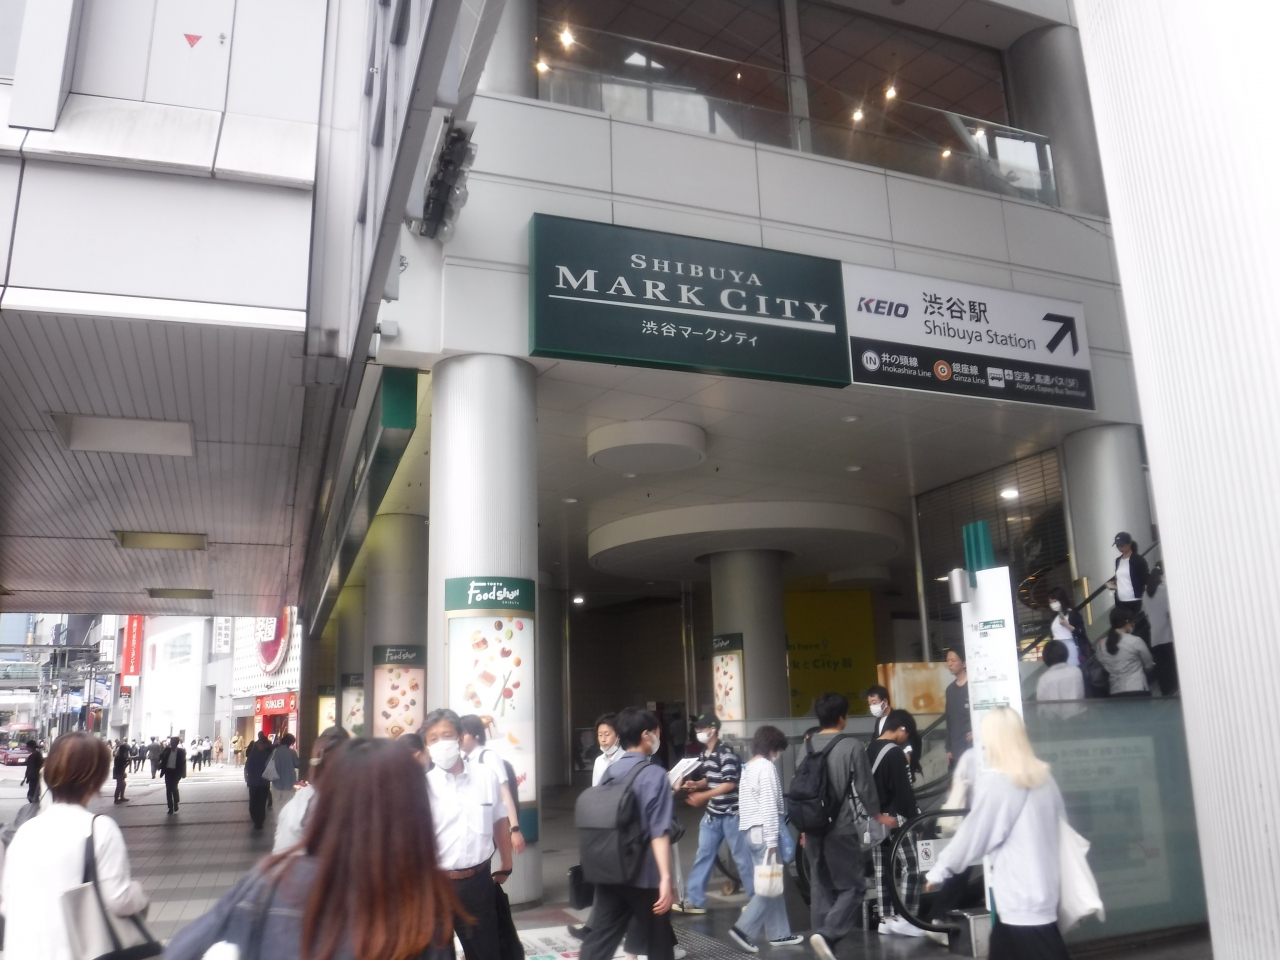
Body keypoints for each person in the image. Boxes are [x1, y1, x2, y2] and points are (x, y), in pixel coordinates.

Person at [166, 738, 460, 960]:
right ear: (416, 813)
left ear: (327, 801)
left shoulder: (268, 885)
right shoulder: (424, 907)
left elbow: (182, 950)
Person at [926, 708, 1070, 960]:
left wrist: (940, 869)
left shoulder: (1001, 782)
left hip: (1019, 899)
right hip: (1043, 892)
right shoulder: (1044, 779)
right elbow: (1061, 829)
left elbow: (974, 835)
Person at [2, 732, 149, 960]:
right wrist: (139, 894)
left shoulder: (24, 832)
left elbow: (6, 903)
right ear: (97, 779)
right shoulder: (99, 828)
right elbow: (119, 899)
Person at [580, 706, 675, 960]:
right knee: (659, 943)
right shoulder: (654, 774)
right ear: (645, 735)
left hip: (610, 870)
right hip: (644, 874)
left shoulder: (610, 771)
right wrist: (666, 878)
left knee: (599, 941)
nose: (658, 738)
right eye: (656, 733)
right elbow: (658, 832)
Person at [424, 708, 513, 960]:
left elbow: (499, 820)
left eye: (447, 735)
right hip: (436, 886)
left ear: (460, 736)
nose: (441, 743)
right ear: (427, 746)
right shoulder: (422, 786)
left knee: (486, 953)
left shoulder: (486, 776)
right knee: (437, 955)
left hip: (478, 882)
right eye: (433, 739)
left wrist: (506, 863)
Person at [803, 692, 881, 960]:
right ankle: (827, 935)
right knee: (854, 886)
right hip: (840, 827)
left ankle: (822, 946)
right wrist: (877, 814)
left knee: (820, 885)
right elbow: (865, 786)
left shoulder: (808, 745)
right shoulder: (851, 746)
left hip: (812, 826)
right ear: (842, 718)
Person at [730, 725, 804, 952]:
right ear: (772, 747)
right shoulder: (766, 768)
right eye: (778, 749)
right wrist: (772, 841)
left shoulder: (748, 767)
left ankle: (779, 933)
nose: (777, 754)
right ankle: (743, 929)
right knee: (769, 886)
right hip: (765, 833)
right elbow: (770, 806)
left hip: (750, 832)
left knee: (771, 882)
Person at [672, 713, 754, 914]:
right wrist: (696, 784)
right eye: (697, 728)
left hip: (731, 815)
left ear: (713, 730)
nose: (698, 732)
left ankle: (757, 901)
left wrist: (703, 796)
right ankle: (695, 900)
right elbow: (710, 778)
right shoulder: (705, 754)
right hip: (713, 814)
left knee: (743, 859)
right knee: (704, 855)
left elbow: (729, 783)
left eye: (701, 728)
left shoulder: (725, 753)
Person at [865, 710, 924, 937]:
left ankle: (886, 918)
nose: (905, 739)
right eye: (906, 734)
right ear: (901, 729)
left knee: (882, 868)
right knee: (912, 867)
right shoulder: (895, 752)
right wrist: (916, 821)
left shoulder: (869, 749)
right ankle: (907, 917)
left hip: (876, 819)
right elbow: (903, 792)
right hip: (897, 817)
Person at [274, 726, 352, 853]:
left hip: (277, 783)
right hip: (289, 782)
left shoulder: (299, 804)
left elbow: (284, 850)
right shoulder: (360, 800)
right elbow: (297, 763)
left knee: (279, 805)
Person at [459, 714, 526, 855]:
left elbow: (505, 795)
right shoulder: (464, 760)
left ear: (476, 735)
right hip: (473, 827)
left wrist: (514, 829)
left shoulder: (488, 757)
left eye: (463, 733)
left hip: (491, 825)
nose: (459, 738)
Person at [1096, 606, 1155, 697]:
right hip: (1137, 689)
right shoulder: (1135, 641)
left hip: (1115, 692)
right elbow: (1149, 664)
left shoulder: (1101, 645)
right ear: (1127, 621)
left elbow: (1102, 663)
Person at [866, 686, 922, 780]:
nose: (872, 706)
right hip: (884, 771)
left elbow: (911, 743)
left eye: (874, 702)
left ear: (885, 701)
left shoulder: (899, 718)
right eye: (869, 703)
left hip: (898, 770)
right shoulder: (878, 721)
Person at [1107, 532, 1151, 643]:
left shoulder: (1138, 560)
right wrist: (1114, 585)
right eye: (1118, 545)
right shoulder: (1118, 560)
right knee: (1123, 628)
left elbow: (1145, 578)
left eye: (1122, 544)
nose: (1120, 547)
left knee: (1137, 628)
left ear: (1129, 544)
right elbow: (1122, 578)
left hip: (1136, 600)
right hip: (1121, 600)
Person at [1146, 565, 1179, 695]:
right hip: (1169, 636)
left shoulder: (1145, 594)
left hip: (1155, 638)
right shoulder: (1166, 589)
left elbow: (1147, 616)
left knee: (1162, 671)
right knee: (1174, 669)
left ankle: (1166, 696)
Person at [1046, 587, 1092, 669]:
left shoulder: (1072, 614)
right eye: (1050, 602)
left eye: (1055, 601)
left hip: (1071, 647)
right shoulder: (1054, 617)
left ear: (1061, 599)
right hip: (1057, 650)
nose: (1052, 604)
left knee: (1072, 668)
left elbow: (1081, 631)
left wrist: (1067, 625)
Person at [944, 646, 972, 769]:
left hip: (973, 747)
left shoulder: (974, 686)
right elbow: (949, 720)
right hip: (956, 750)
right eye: (947, 660)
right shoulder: (950, 690)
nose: (949, 664)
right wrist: (948, 747)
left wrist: (979, 731)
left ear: (964, 663)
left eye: (953, 660)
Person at [1036, 639, 1086, 705]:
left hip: (1055, 712)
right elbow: (1081, 695)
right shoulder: (1076, 671)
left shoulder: (1044, 679)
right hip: (1079, 711)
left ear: (1046, 657)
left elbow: (1041, 704)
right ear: (1065, 653)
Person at [245, 730, 274, 830]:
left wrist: (246, 779)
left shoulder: (253, 755)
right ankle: (259, 821)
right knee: (261, 803)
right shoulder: (268, 755)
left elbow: (247, 768)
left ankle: (256, 819)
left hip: (254, 782)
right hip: (264, 782)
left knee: (253, 801)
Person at [271, 732, 301, 807]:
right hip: (289, 784)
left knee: (277, 804)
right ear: (290, 742)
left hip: (276, 783)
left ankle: (278, 815)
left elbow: (267, 764)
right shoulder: (292, 753)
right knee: (288, 806)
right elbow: (297, 764)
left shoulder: (275, 751)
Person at [592, 712, 622, 786]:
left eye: (607, 734)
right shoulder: (599, 761)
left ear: (618, 735)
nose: (603, 739)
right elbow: (595, 788)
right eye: (600, 735)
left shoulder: (626, 758)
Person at [159, 735, 187, 814]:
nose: (171, 743)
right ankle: (170, 807)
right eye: (171, 741)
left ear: (176, 743)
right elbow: (161, 757)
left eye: (173, 742)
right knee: (168, 789)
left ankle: (176, 802)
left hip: (176, 772)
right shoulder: (167, 750)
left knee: (174, 788)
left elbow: (183, 763)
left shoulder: (181, 751)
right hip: (168, 771)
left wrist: (183, 773)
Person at [21, 739, 42, 804]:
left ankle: (35, 805)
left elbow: (32, 767)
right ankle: (34, 804)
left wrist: (25, 778)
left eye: (27, 747)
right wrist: (24, 779)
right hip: (32, 777)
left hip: (35, 777)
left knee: (32, 795)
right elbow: (29, 768)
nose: (26, 748)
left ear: (31, 747)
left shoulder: (36, 755)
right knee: (32, 794)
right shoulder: (35, 755)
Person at [112, 739, 131, 803]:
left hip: (117, 772)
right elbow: (123, 766)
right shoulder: (121, 757)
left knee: (122, 784)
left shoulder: (118, 756)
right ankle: (117, 798)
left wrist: (127, 761)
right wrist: (128, 762)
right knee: (120, 785)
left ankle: (120, 797)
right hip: (119, 772)